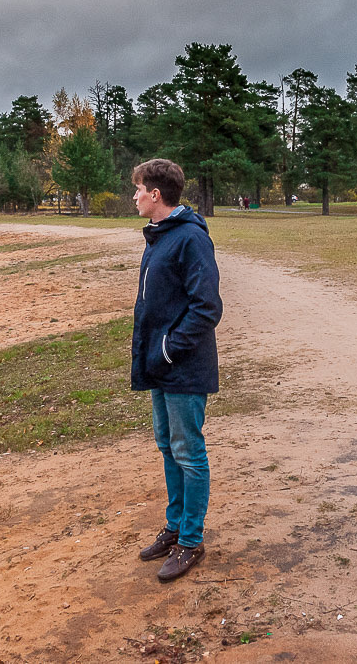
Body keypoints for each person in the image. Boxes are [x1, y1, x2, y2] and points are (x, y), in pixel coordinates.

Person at [130, 159, 223, 582]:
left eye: (138, 189)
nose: (134, 196)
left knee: (189, 452)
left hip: (182, 367)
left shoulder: (189, 239)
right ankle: (175, 528)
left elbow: (207, 308)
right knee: (168, 447)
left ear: (155, 194)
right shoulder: (159, 237)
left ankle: (191, 540)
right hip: (161, 364)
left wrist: (169, 349)